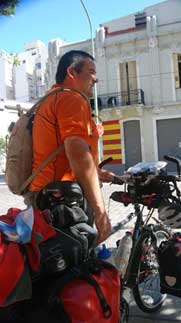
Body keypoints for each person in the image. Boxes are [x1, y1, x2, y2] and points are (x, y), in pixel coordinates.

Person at [25, 50, 114, 244]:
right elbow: (77, 150)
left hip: (45, 195)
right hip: (60, 199)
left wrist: (96, 172)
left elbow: (63, 151)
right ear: (71, 73)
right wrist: (100, 211)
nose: (96, 79)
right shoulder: (72, 98)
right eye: (91, 71)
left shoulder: (51, 98)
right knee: (75, 267)